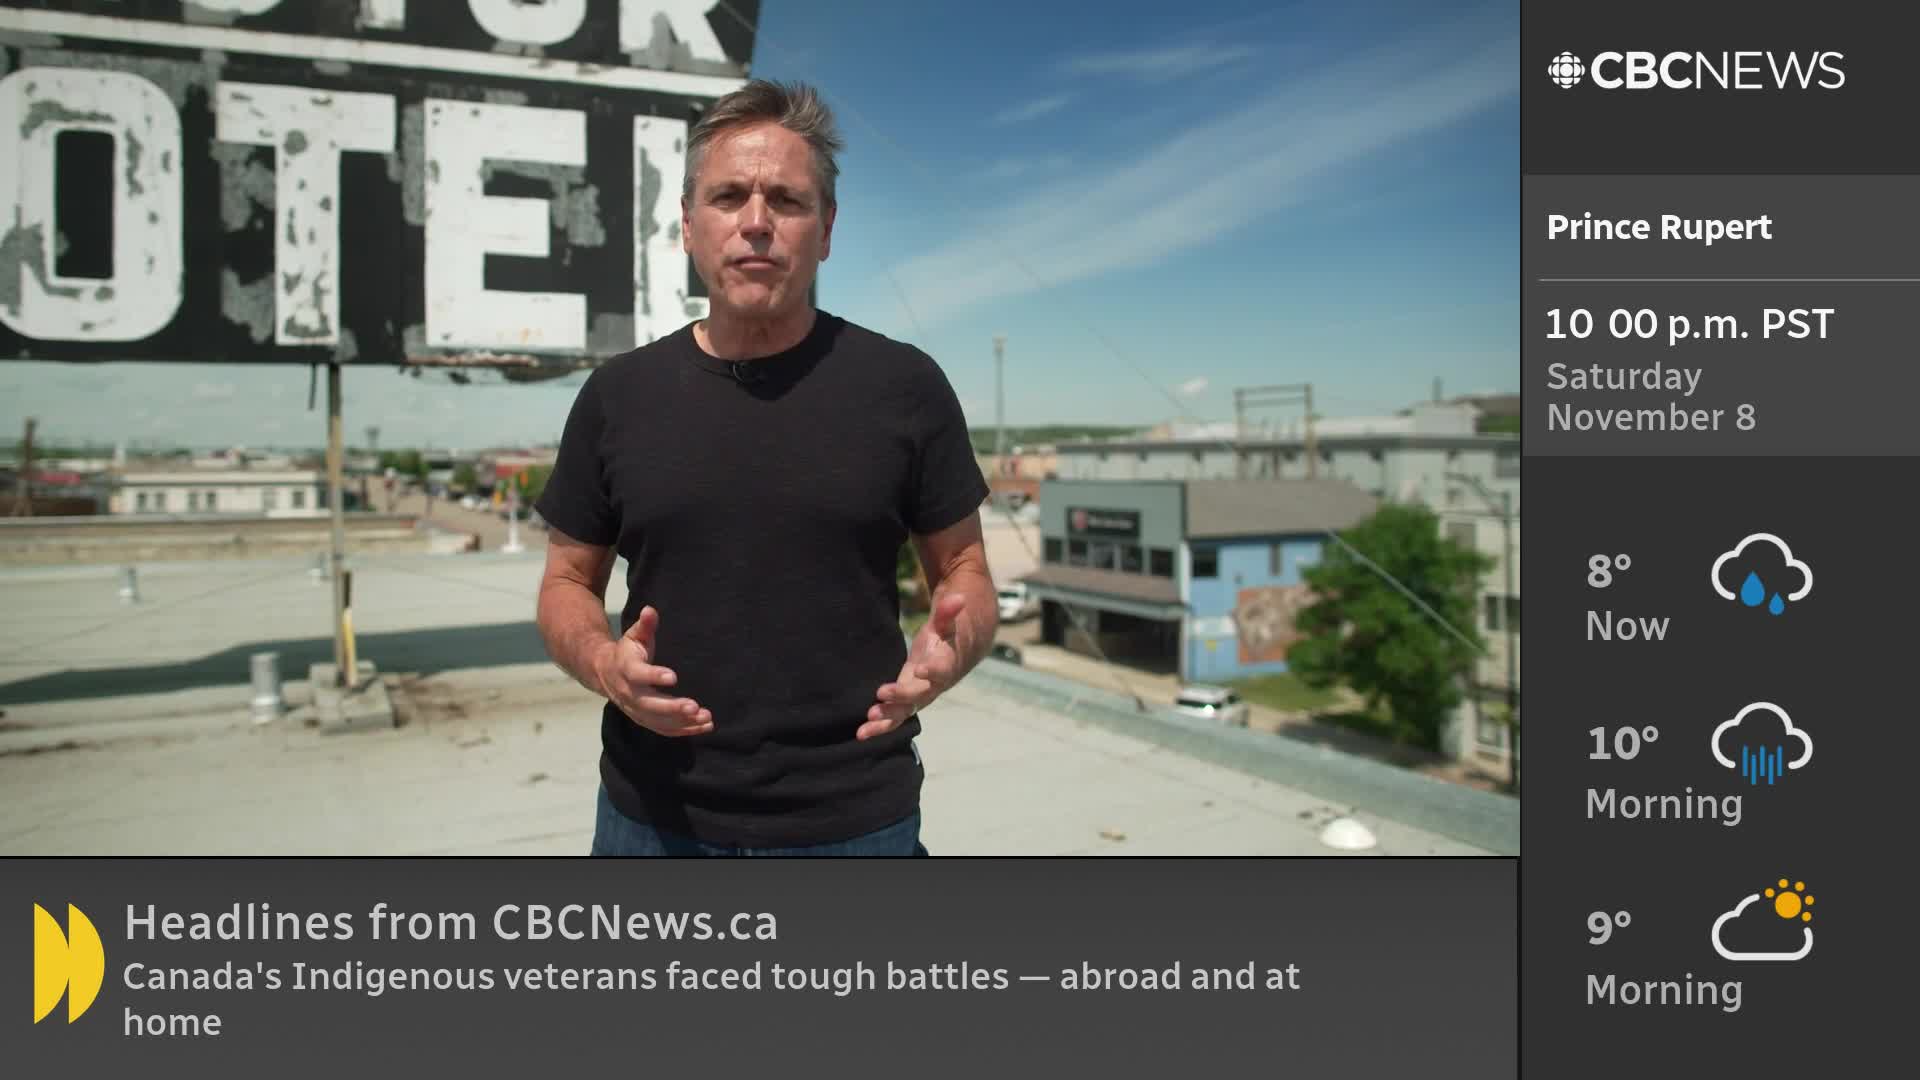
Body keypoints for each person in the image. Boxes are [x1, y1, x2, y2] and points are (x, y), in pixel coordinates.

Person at [534, 80, 996, 857]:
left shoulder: (904, 387)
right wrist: (604, 665)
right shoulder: (619, 396)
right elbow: (565, 584)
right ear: (687, 224)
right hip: (651, 820)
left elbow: (966, 568)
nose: (755, 222)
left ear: (826, 229)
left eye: (786, 199)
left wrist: (958, 644)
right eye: (727, 197)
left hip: (854, 825)